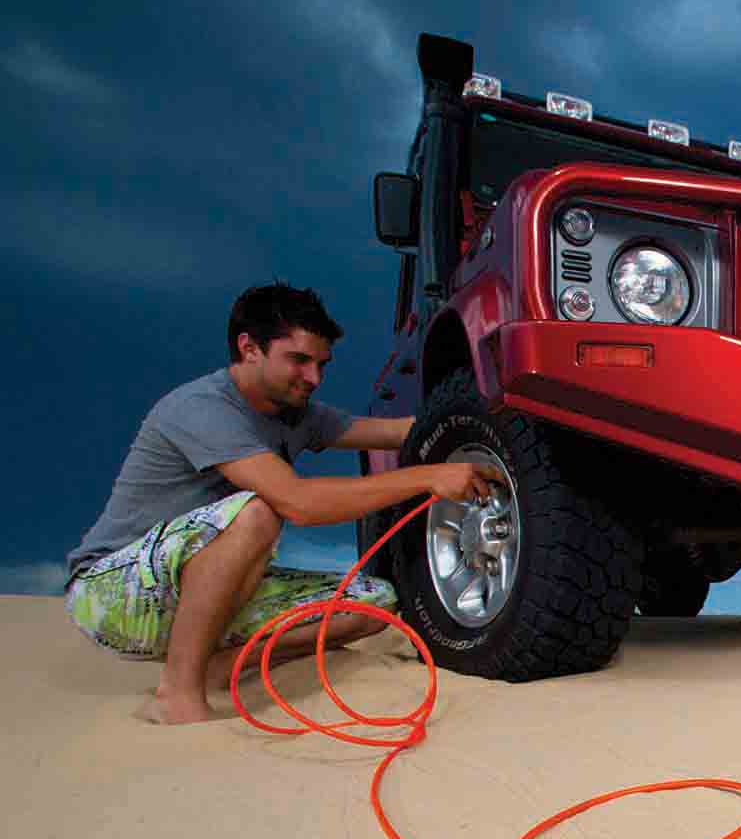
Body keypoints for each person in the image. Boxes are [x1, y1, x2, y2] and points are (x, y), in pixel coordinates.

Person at [64, 282, 500, 725]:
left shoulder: (298, 414)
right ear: (249, 349)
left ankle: (222, 666)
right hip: (112, 592)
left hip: (210, 591)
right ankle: (178, 693)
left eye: (321, 364)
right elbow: (298, 503)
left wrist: (495, 415)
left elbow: (397, 431)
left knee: (373, 604)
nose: (314, 378)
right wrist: (429, 478)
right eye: (299, 360)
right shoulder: (202, 407)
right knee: (257, 511)